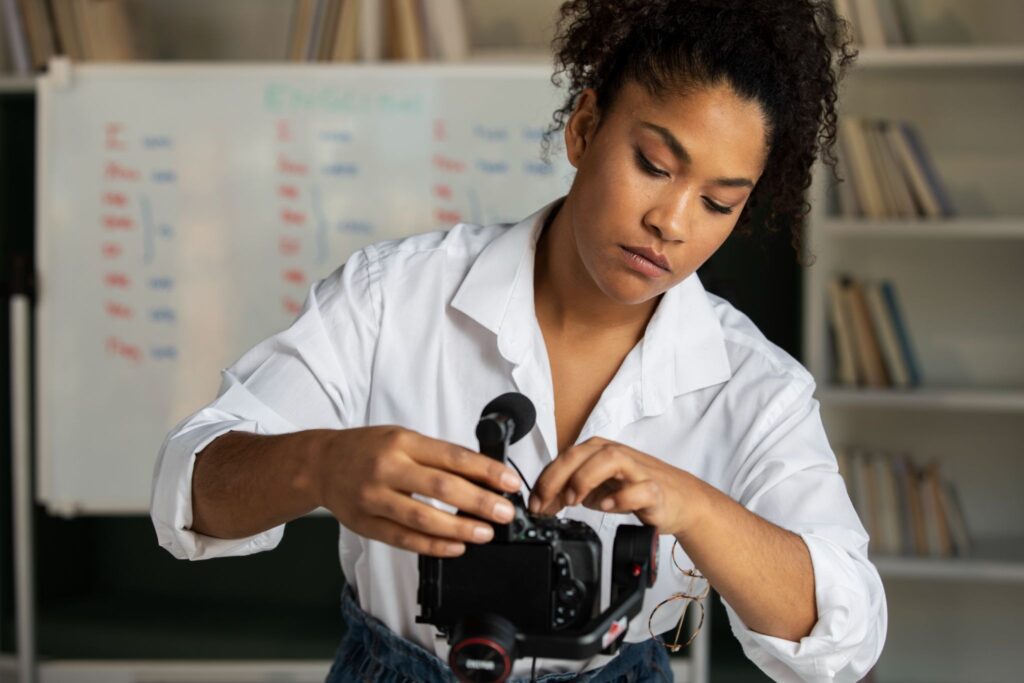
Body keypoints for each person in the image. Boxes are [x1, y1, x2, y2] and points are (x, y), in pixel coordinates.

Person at [151, 0, 886, 681]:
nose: (673, 221)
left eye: (719, 202)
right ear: (584, 128)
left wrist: (693, 504)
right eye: (654, 166)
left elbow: (844, 637)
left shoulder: (756, 386)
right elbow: (190, 487)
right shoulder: (391, 297)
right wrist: (318, 465)